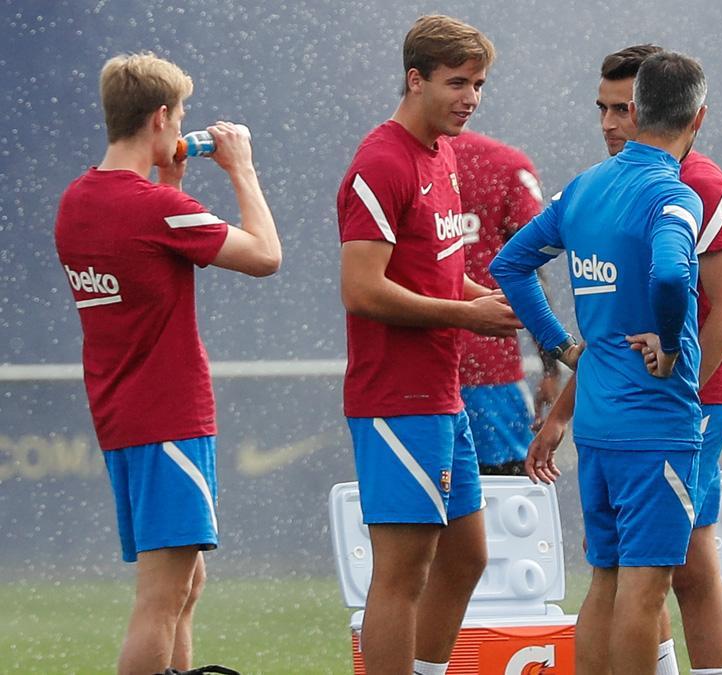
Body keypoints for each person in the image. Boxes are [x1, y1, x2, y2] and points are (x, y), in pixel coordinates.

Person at [54, 52, 281, 674]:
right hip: (169, 415)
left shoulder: (78, 199)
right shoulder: (154, 209)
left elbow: (144, 257)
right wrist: (243, 170)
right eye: (179, 115)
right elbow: (265, 255)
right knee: (159, 598)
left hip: (123, 414)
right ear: (161, 117)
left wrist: (173, 187)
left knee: (186, 583)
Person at [491, 51, 707, 675]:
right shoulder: (673, 194)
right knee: (645, 593)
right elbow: (670, 271)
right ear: (700, 117)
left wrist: (560, 344)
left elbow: (510, 265)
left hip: (600, 428)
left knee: (605, 585)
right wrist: (668, 343)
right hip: (654, 425)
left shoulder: (585, 187)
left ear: (636, 111)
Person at [532, 44, 722, 675]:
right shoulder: (610, 187)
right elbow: (610, 333)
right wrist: (567, 407)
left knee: (681, 572)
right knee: (635, 571)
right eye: (602, 108)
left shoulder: (697, 184)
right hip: (623, 407)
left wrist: (674, 386)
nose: (609, 124)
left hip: (687, 403)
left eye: (622, 109)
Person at [335, 15, 521, 675]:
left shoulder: (440, 153)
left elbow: (437, 271)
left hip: (443, 394)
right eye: (457, 83)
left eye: (479, 84)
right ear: (415, 80)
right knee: (402, 572)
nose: (470, 97)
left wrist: (485, 297)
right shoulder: (380, 161)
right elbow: (361, 289)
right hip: (396, 396)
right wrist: (467, 316)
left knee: (466, 556)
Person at [449, 130, 561, 476]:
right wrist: (552, 366)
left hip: (416, 379)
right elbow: (529, 271)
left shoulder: (386, 163)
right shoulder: (505, 165)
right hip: (488, 371)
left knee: (426, 510)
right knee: (504, 506)